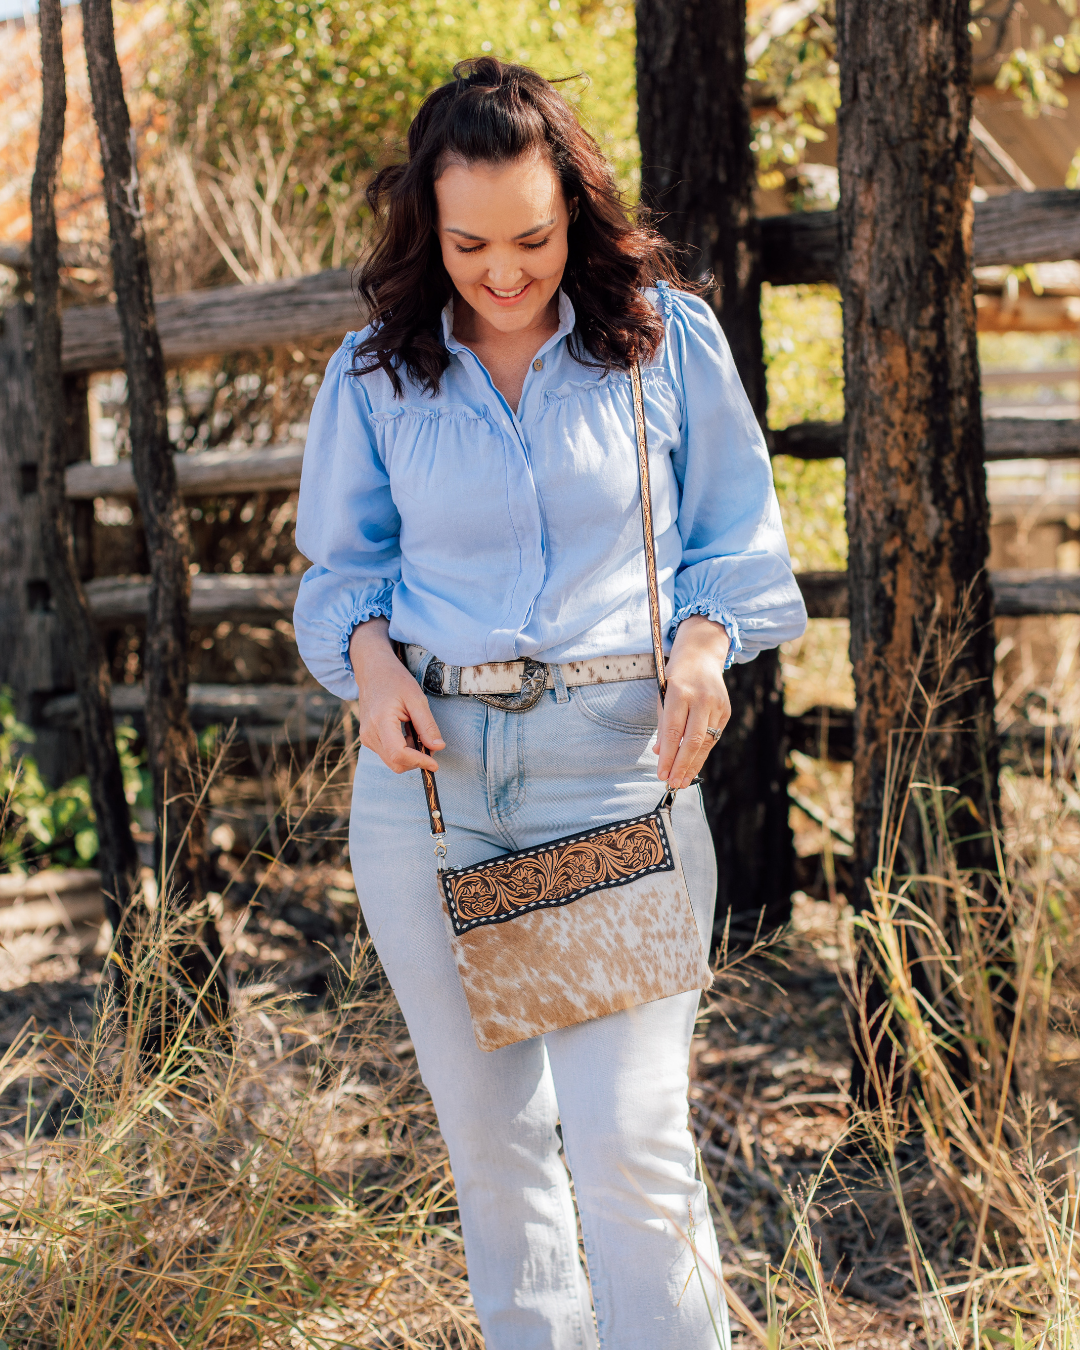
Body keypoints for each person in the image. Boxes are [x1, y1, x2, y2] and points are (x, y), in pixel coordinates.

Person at [294, 56, 806, 1350]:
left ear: (574, 210)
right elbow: (341, 576)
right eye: (471, 245)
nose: (506, 272)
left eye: (532, 237)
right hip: (430, 793)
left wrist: (702, 646)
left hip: (610, 769)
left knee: (631, 1142)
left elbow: (737, 541)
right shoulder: (374, 374)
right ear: (428, 225)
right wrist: (370, 665)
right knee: (500, 1162)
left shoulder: (658, 339)